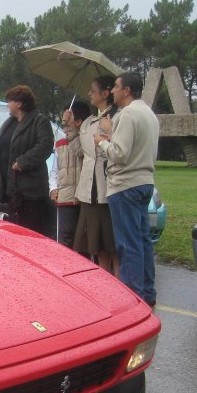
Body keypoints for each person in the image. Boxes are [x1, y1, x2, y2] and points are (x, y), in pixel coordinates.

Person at [95, 71, 160, 308]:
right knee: (142, 240)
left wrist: (101, 140)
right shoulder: (149, 114)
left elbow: (120, 154)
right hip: (145, 181)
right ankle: (147, 291)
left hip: (125, 184)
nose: (112, 91)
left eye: (115, 87)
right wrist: (113, 133)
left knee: (127, 243)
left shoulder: (127, 114)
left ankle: (134, 296)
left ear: (127, 90)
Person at [0, 85, 54, 237]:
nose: (7, 104)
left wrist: (22, 162)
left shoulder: (39, 121)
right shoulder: (10, 122)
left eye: (10, 101)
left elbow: (45, 146)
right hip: (11, 190)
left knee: (30, 233)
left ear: (19, 103)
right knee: (13, 233)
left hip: (30, 192)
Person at [73, 76, 120, 275]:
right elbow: (79, 152)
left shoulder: (116, 118)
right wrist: (71, 127)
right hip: (89, 189)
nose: (89, 94)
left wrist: (109, 136)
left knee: (112, 243)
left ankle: (119, 282)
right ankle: (105, 281)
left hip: (107, 188)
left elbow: (119, 151)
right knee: (96, 243)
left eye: (93, 90)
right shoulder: (88, 123)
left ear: (105, 93)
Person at [49, 100, 90, 248]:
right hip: (65, 196)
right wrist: (53, 187)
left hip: (83, 197)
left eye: (69, 118)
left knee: (83, 239)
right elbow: (55, 170)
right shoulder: (60, 144)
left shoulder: (87, 141)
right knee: (64, 236)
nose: (65, 123)